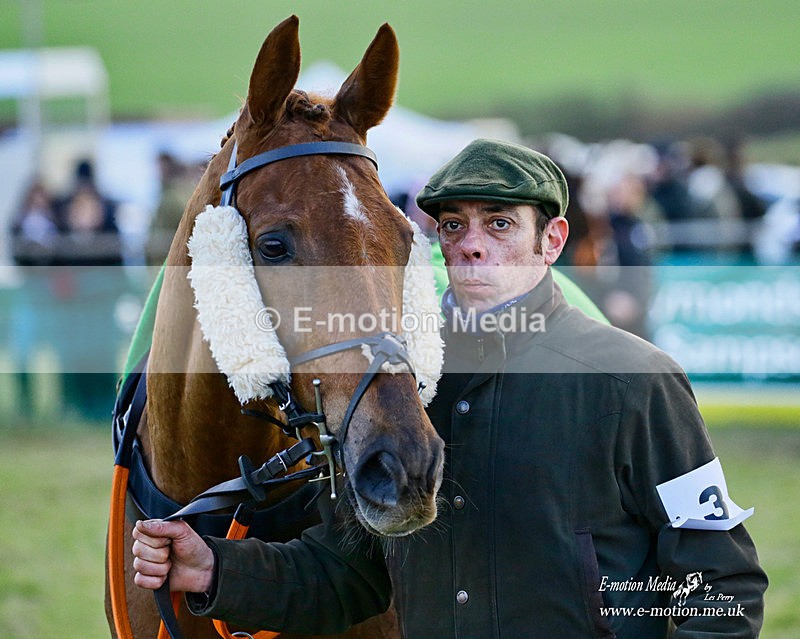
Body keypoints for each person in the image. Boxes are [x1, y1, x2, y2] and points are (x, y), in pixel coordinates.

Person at [132, 139, 767, 638]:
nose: (471, 246)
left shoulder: (635, 379)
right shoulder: (403, 388)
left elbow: (721, 582)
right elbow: (348, 577)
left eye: (499, 225)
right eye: (454, 226)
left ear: (552, 240)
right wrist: (216, 569)